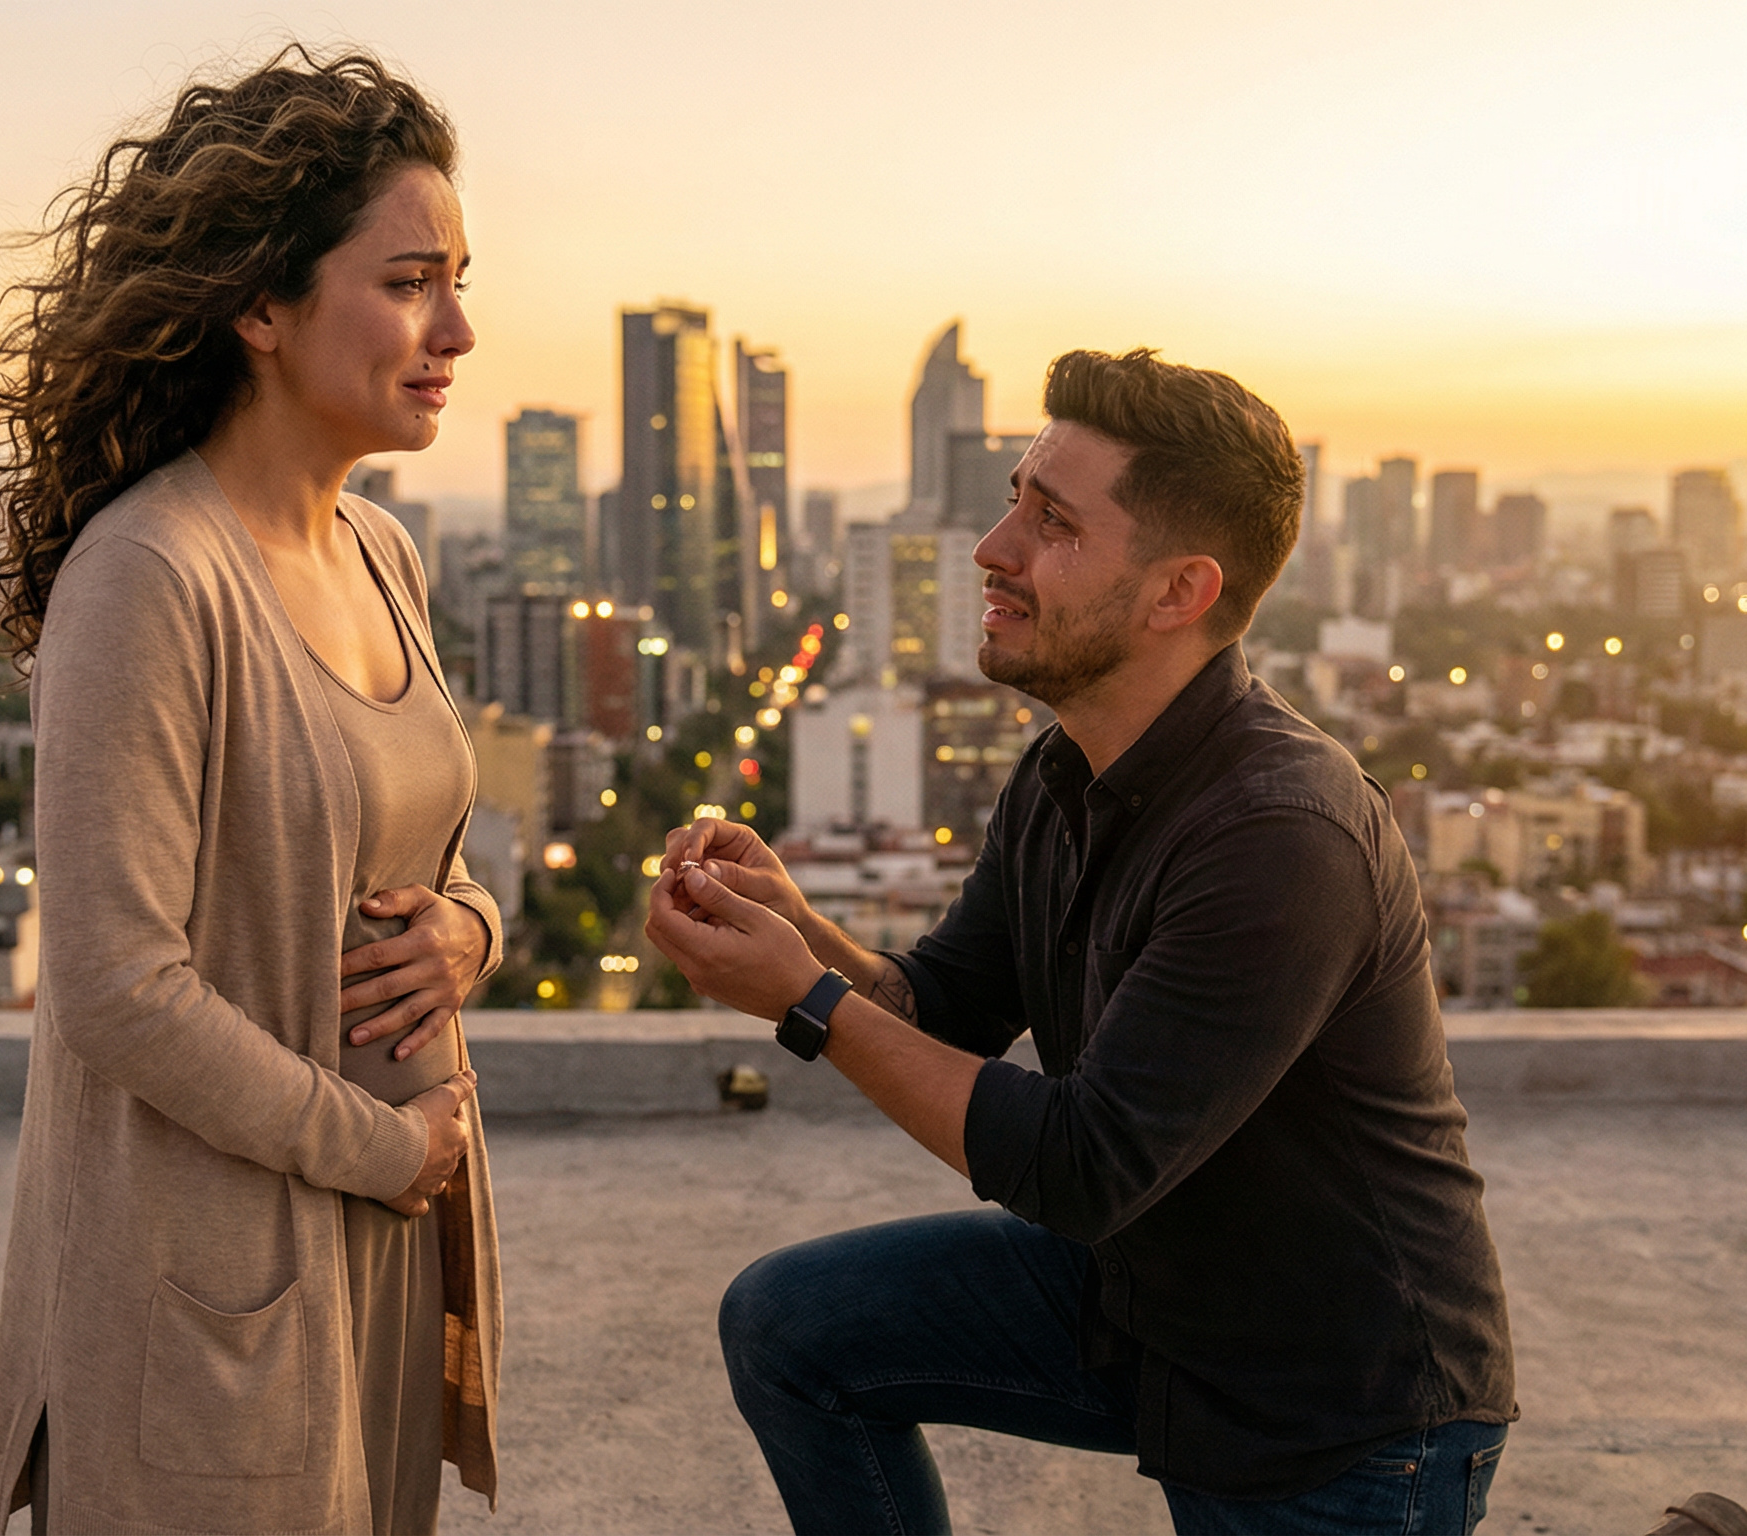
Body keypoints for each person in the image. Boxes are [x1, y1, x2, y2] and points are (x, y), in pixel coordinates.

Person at [647, 348, 1516, 1535]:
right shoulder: (1066, 769)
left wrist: (806, 1003)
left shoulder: (1282, 835)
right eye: (1014, 500)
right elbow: (941, 1002)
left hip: (1335, 1404)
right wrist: (800, 934)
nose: (992, 549)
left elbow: (1079, 1165)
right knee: (790, 1326)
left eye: (1049, 523)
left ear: (1177, 592)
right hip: (1148, 1302)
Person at [0, 49, 504, 1536]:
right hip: (213, 1277)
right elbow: (119, 985)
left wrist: (472, 935)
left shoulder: (384, 553)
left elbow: (432, 859)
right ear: (260, 306)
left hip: (376, 1247)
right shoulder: (149, 576)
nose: (457, 327)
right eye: (408, 282)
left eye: (458, 280)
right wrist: (387, 1149)